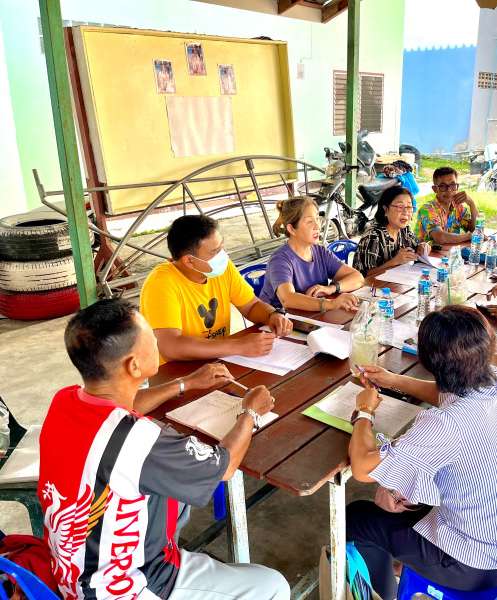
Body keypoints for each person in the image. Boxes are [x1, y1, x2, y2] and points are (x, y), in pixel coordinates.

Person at [39, 299, 290, 600]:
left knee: (175, 496)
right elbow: (225, 466)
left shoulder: (66, 400)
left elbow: (125, 405)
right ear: (133, 365)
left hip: (72, 570)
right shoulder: (139, 440)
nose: (156, 341)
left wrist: (185, 383)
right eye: (150, 337)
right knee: (272, 585)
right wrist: (250, 412)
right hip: (126, 584)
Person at [346, 306, 497, 600]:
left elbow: (362, 468)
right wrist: (394, 380)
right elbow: (445, 394)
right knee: (403, 497)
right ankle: (398, 564)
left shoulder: (446, 425)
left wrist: (364, 410)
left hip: (476, 564)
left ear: (425, 360)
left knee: (357, 517)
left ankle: (383, 593)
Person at [140, 215, 293, 364]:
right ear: (190, 261)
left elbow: (251, 306)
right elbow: (170, 347)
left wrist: (273, 315)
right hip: (178, 370)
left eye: (221, 247)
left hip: (217, 360)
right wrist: (238, 346)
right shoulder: (161, 283)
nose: (222, 255)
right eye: (215, 252)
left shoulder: (221, 269)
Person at [259, 196, 363, 312]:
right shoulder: (280, 260)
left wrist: (332, 288)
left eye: (317, 219)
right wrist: (331, 304)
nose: (317, 227)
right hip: (278, 320)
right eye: (309, 222)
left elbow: (358, 278)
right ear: (292, 229)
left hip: (310, 317)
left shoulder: (321, 252)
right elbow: (288, 299)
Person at [352, 186, 430, 277]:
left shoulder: (405, 230)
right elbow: (363, 276)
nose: (406, 212)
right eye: (400, 207)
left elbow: (414, 249)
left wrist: (421, 248)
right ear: (385, 209)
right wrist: (394, 262)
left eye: (409, 207)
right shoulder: (373, 237)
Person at [414, 166, 479, 244]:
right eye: (443, 186)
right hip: (426, 252)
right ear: (434, 189)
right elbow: (440, 238)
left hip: (449, 250)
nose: (449, 190)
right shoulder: (427, 209)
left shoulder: (458, 207)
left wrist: (471, 204)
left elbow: (476, 229)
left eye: (452, 185)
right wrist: (469, 236)